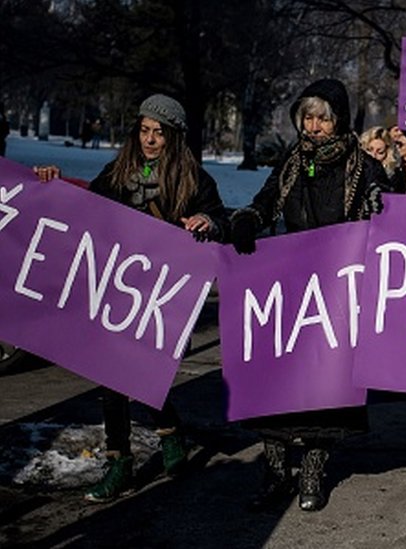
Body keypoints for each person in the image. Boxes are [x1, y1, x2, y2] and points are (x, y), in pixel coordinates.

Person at [35, 93, 229, 503]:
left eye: (158, 133)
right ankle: (120, 462)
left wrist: (207, 221)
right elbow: (86, 206)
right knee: (113, 374)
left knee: (144, 370)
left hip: (161, 295)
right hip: (119, 288)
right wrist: (54, 183)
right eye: (144, 130)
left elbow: (222, 221)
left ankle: (170, 433)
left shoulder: (194, 180)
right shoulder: (120, 170)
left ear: (174, 136)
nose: (150, 140)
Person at [229, 78, 386, 512]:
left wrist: (379, 201)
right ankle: (276, 472)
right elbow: (266, 201)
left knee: (325, 387)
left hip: (337, 290)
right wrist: (249, 219)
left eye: (323, 119)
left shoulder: (362, 165)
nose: (314, 127)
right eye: (308, 118)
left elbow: (384, 202)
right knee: (275, 381)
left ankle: (313, 471)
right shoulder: (292, 161)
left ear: (338, 121)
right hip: (291, 284)